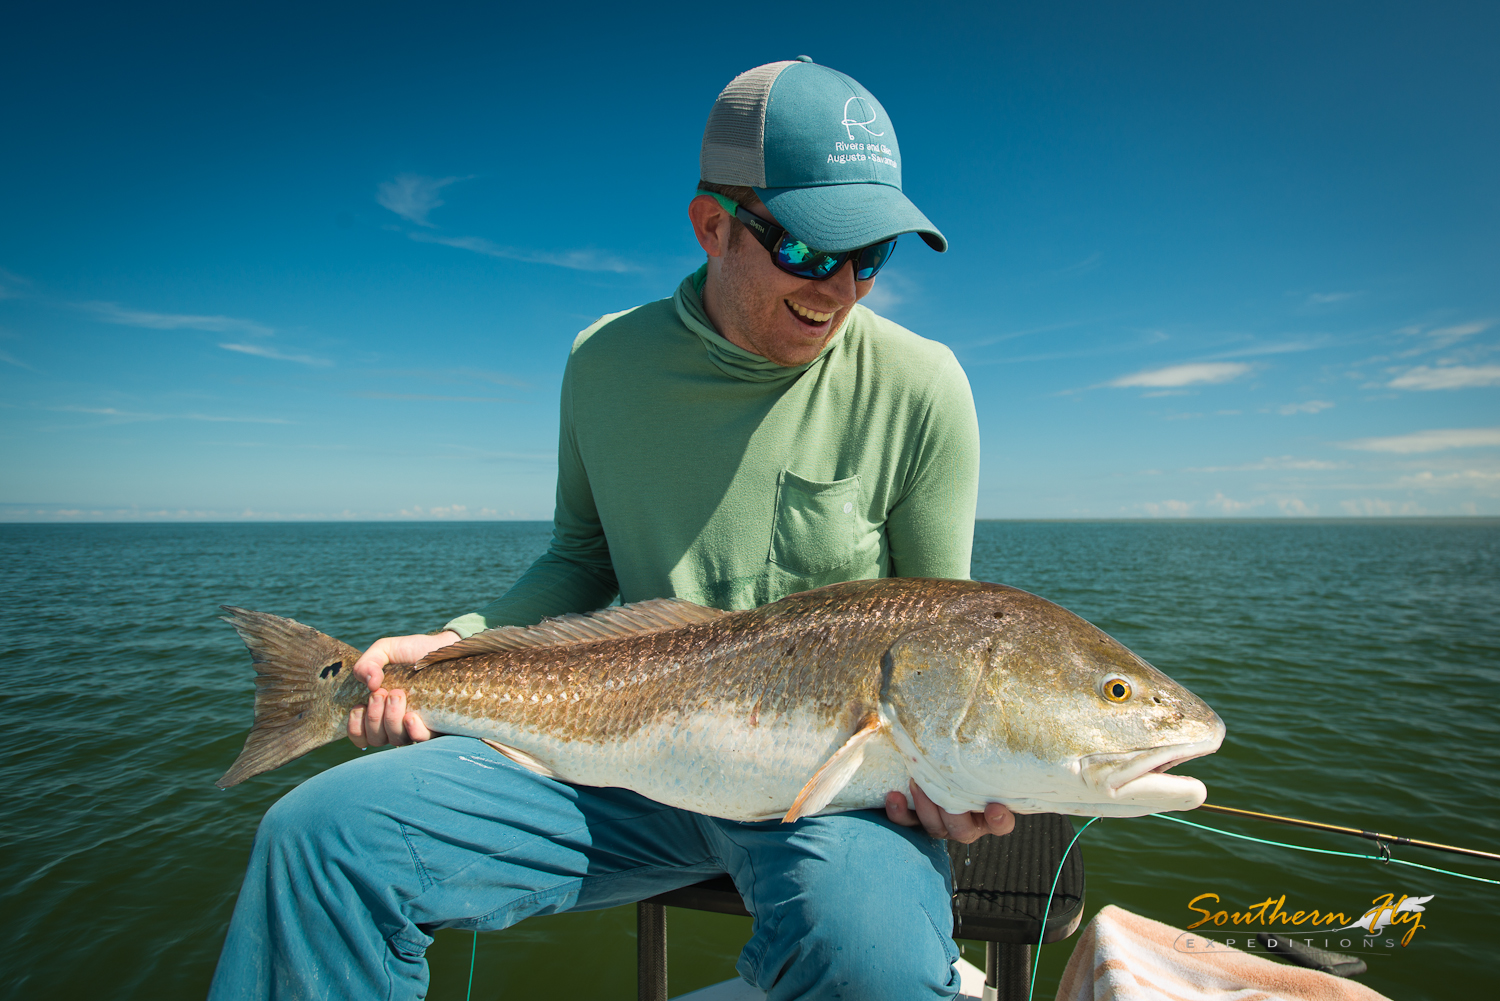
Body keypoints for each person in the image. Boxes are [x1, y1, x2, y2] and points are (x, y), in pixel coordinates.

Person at [209, 57, 1014, 1001]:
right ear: (713, 225)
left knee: (874, 967)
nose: (839, 287)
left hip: (838, 788)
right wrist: (453, 646)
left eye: (870, 254)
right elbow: (580, 557)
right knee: (318, 841)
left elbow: (946, 630)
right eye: (806, 249)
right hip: (622, 754)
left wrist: (959, 782)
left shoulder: (924, 386)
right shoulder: (604, 362)